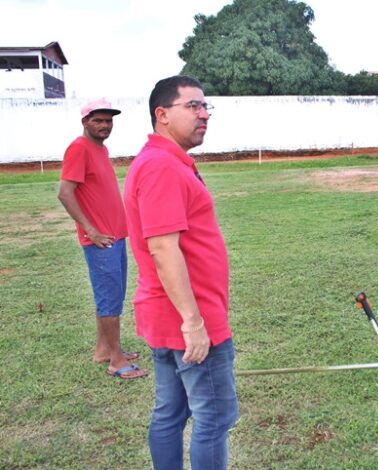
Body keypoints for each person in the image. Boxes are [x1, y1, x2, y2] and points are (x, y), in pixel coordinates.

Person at [124, 75, 238, 469]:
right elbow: (162, 247)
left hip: (170, 315)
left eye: (206, 107)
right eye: (193, 106)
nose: (204, 114)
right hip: (188, 320)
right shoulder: (161, 167)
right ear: (163, 115)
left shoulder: (166, 162)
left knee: (171, 413)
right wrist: (193, 321)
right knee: (215, 416)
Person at [58, 99, 147, 379]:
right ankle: (117, 361)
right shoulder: (78, 148)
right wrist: (90, 230)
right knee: (109, 298)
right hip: (100, 241)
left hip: (115, 236)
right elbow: (65, 193)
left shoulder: (100, 148)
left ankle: (103, 350)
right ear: (85, 122)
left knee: (112, 296)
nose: (104, 125)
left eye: (108, 121)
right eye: (98, 120)